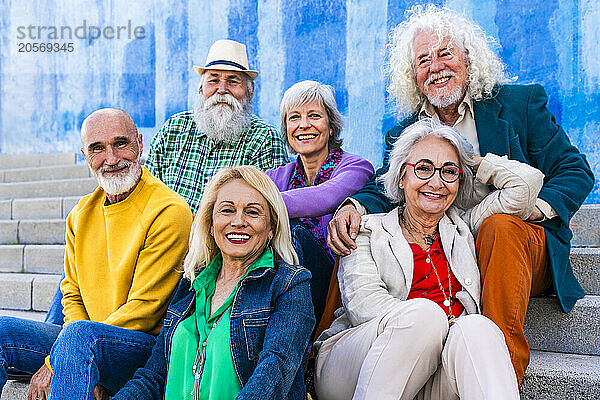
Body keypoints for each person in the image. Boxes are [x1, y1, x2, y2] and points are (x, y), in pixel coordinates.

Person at [326, 4, 594, 382]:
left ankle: (504, 372)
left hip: (514, 242)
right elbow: (384, 186)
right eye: (423, 59)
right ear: (413, 75)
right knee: (355, 232)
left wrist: (538, 208)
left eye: (445, 53)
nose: (435, 66)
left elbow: (575, 170)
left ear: (469, 59)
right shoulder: (406, 131)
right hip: (451, 241)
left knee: (499, 227)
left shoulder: (520, 104)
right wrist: (352, 207)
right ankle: (317, 356)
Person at [315, 119, 543, 399]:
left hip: (434, 374)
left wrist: (469, 161)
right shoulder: (366, 229)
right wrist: (433, 325)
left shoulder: (464, 229)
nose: (436, 182)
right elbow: (365, 307)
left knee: (479, 329)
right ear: (401, 177)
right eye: (423, 168)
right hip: (355, 364)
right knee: (425, 316)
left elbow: (526, 184)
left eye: (448, 172)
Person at [0, 108, 192, 399]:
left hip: (138, 348)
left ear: (140, 143)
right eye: (97, 148)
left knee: (79, 338)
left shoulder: (169, 211)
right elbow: (72, 294)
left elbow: (144, 311)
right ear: (84, 155)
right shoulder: (80, 214)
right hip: (82, 341)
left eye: (120, 143)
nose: (111, 158)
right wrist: (66, 354)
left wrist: (57, 360)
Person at [112, 166, 315, 400]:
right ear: (210, 224)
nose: (238, 222)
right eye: (227, 210)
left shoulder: (289, 284)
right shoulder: (191, 282)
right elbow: (154, 377)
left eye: (253, 212)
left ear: (271, 228)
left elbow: (275, 370)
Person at [266, 80, 374, 322]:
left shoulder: (356, 167)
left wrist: (258, 206)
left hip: (332, 284)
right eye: (294, 118)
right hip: (281, 283)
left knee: (292, 231)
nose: (304, 125)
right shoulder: (276, 177)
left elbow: (326, 196)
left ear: (331, 126)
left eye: (314, 115)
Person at [146, 39, 289, 214]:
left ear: (250, 91)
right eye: (213, 80)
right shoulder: (173, 129)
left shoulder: (264, 139)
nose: (222, 89)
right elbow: (148, 196)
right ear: (201, 88)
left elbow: (265, 213)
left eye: (233, 81)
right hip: (168, 236)